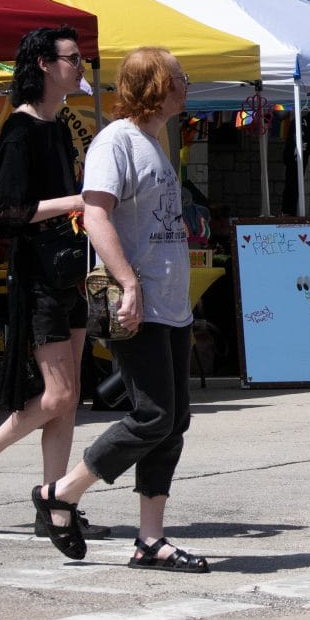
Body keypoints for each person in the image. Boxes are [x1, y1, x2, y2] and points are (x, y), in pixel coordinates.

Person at [35, 48, 203, 570]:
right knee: (152, 416)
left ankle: (150, 539)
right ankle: (61, 492)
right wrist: (129, 283)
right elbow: (95, 216)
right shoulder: (116, 142)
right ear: (157, 85)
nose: (186, 83)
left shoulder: (156, 141)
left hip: (170, 304)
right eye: (179, 76)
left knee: (173, 422)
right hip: (137, 304)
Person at [0, 28, 108, 540]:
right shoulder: (19, 132)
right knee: (58, 395)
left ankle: (55, 505)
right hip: (38, 277)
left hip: (68, 273)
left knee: (70, 396)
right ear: (43, 64)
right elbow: (7, 213)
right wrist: (76, 201)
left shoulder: (58, 127)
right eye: (72, 58)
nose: (79, 67)